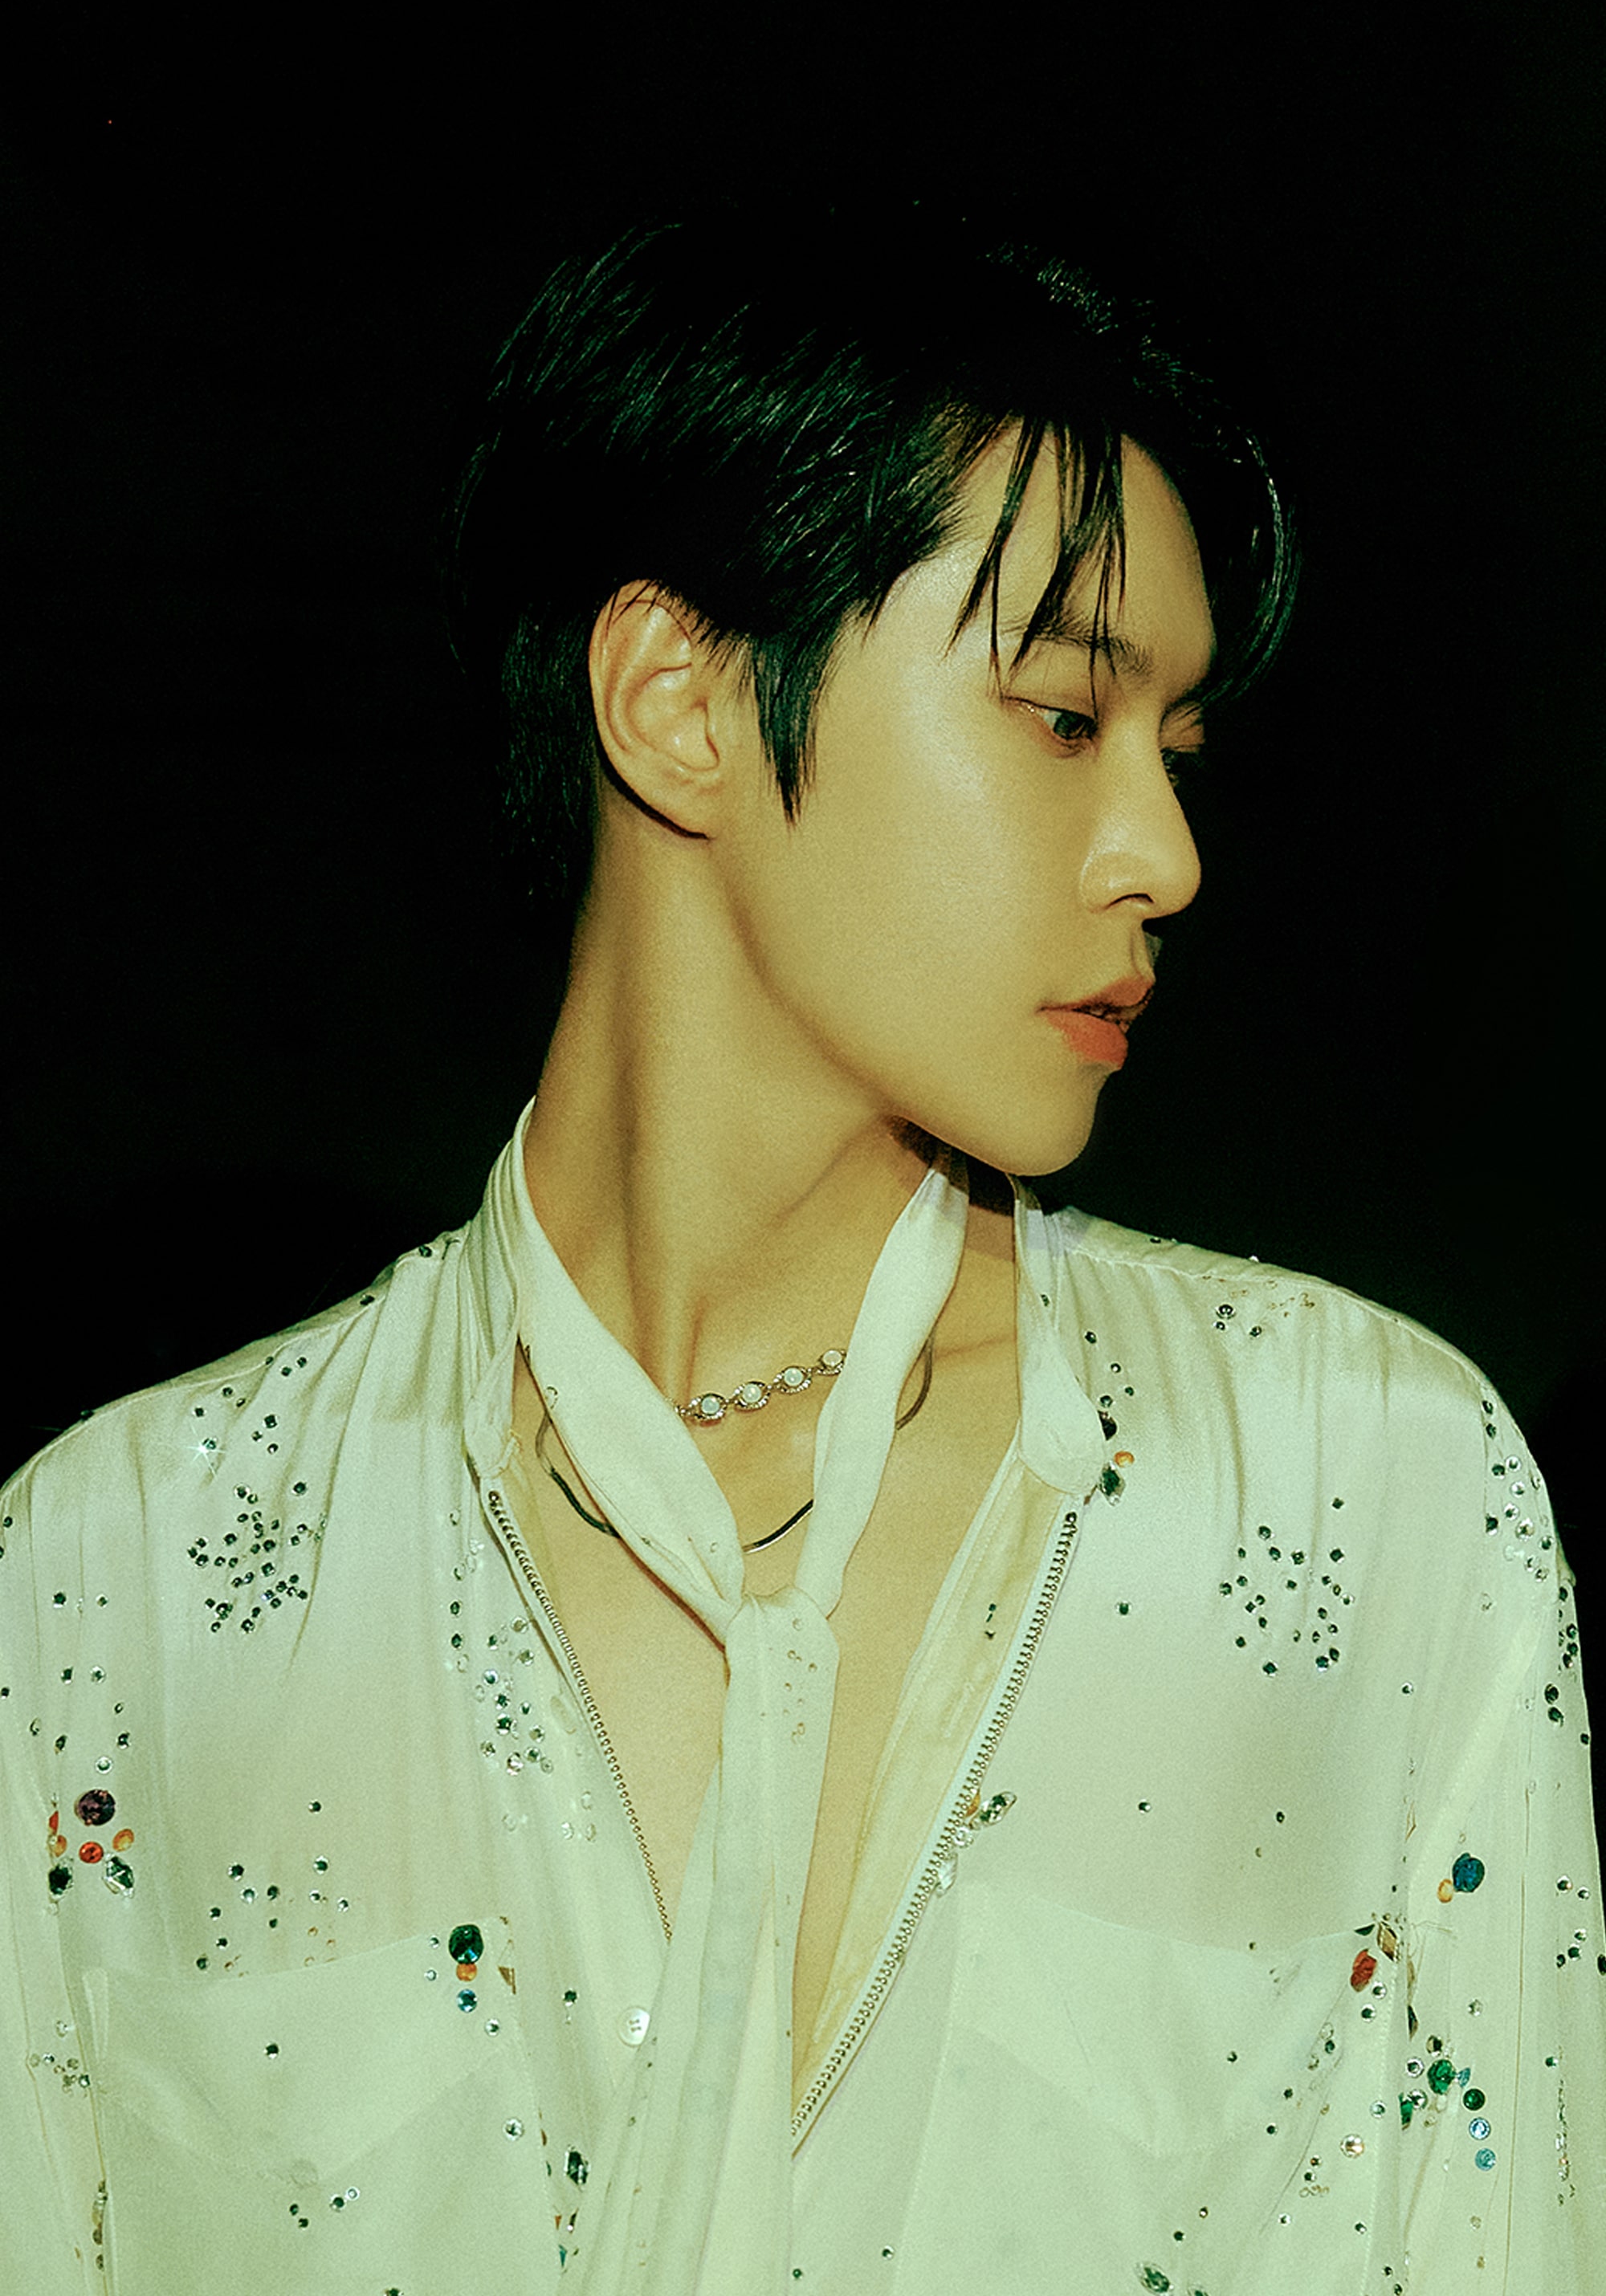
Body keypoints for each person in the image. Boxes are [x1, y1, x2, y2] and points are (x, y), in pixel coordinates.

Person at [2, 196, 1600, 2296]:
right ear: (677, 702)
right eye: (1064, 717)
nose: (1166, 853)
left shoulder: (1360, 1493)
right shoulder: (115, 1580)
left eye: (1180, 751)